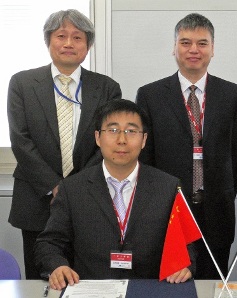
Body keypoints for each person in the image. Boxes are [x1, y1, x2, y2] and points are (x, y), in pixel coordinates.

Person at [7, 9, 122, 279]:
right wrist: (54, 185)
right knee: (41, 280)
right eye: (61, 36)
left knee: (87, 279)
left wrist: (75, 188)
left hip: (90, 198)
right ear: (49, 42)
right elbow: (20, 140)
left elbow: (107, 142)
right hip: (37, 199)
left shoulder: (107, 88)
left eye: (77, 37)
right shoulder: (22, 83)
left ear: (88, 45)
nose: (69, 43)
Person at [34, 99, 196, 290]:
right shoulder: (72, 188)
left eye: (131, 131)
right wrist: (57, 266)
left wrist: (186, 266)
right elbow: (48, 243)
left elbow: (187, 246)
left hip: (150, 289)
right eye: (112, 130)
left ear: (144, 139)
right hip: (91, 290)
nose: (121, 139)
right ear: (97, 137)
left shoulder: (168, 187)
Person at [136, 13, 237, 279]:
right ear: (174, 48)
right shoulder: (150, 95)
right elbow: (146, 156)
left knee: (213, 284)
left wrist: (222, 190)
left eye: (202, 43)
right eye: (185, 42)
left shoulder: (234, 95)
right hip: (168, 210)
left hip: (217, 212)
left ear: (212, 49)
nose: (193, 50)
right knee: (170, 284)